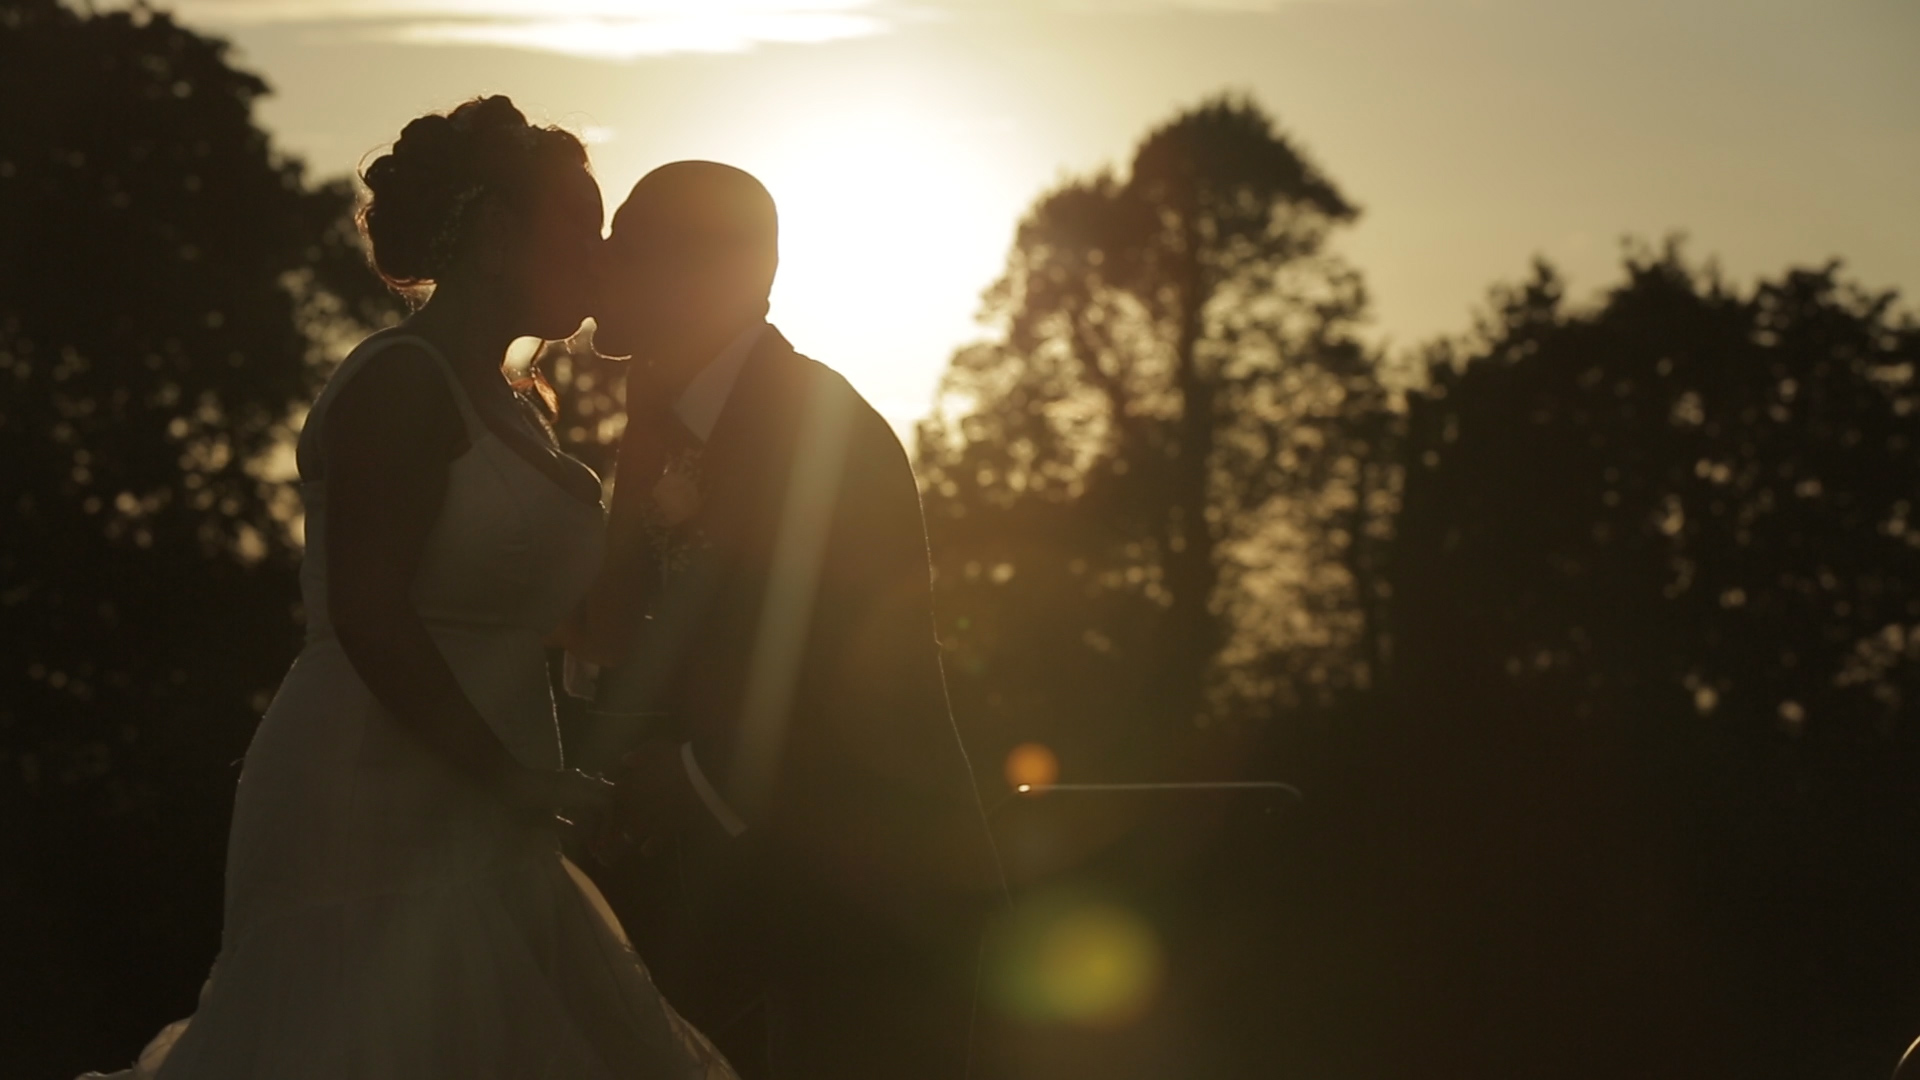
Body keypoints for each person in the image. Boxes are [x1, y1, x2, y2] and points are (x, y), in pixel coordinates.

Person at [81, 97, 734, 1080]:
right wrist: (511, 778)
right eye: (580, 226)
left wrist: (652, 436)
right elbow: (370, 616)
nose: (600, 255)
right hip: (364, 800)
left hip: (486, 807)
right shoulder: (399, 384)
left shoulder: (518, 415)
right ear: (499, 234)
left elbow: (591, 630)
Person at [578, 161, 1005, 1080]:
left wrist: (687, 775)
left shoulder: (817, 429)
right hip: (745, 894)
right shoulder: (669, 422)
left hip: (871, 903)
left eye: (629, 247)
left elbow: (849, 669)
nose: (598, 265)